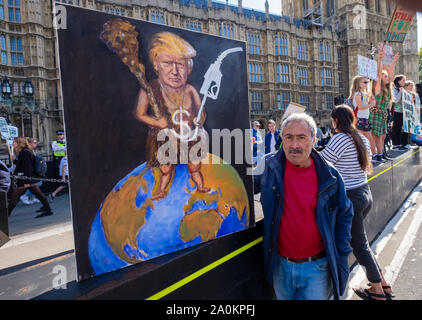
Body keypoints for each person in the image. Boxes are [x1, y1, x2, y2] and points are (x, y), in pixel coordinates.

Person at [254, 113, 354, 300]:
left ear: (314, 140)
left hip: (317, 268)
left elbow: (345, 216)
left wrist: (341, 256)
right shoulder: (268, 166)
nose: (294, 145)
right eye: (288, 137)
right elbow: (242, 188)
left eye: (301, 137)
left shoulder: (330, 176)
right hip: (280, 266)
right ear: (281, 139)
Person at [321, 105, 394, 300]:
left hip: (351, 198)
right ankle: (382, 283)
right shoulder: (361, 137)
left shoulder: (339, 138)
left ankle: (377, 291)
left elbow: (322, 164)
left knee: (359, 245)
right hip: (364, 193)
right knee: (362, 244)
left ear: (336, 121)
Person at [135, 32, 210, 200]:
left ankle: (200, 186)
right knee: (166, 168)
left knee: (194, 166)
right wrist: (156, 121)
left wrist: (200, 119)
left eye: (181, 65)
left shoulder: (190, 89)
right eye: (168, 63)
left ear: (188, 68)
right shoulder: (149, 89)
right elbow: (140, 114)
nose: (175, 71)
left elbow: (202, 111)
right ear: (156, 65)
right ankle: (161, 191)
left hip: (190, 137)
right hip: (167, 137)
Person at [8, 137, 53, 218]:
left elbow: (28, 168)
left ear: (19, 143)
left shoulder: (24, 152)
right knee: (39, 194)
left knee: (15, 197)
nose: (12, 144)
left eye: (14, 142)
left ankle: (5, 215)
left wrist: (27, 182)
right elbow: (22, 165)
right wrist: (15, 160)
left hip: (26, 179)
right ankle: (48, 209)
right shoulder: (24, 152)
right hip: (29, 179)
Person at [369, 45, 398, 161]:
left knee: (382, 137)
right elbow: (380, 74)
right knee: (374, 136)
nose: (387, 77)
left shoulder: (388, 89)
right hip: (375, 114)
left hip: (382, 115)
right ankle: (375, 154)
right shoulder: (377, 88)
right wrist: (379, 59)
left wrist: (393, 63)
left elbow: (390, 75)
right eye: (384, 76)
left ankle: (380, 154)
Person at [349, 76, 376, 156]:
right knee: (366, 139)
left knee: (366, 139)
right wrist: (370, 105)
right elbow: (360, 107)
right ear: (358, 84)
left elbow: (365, 106)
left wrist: (371, 101)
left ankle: (372, 155)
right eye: (365, 82)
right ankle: (372, 155)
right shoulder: (358, 94)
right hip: (359, 118)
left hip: (365, 118)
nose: (367, 84)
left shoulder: (364, 94)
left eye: (367, 82)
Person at [392, 75, 408, 150]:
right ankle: (395, 144)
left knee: (402, 127)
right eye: (403, 80)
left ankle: (401, 143)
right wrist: (401, 92)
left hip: (403, 111)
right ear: (398, 81)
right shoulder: (394, 89)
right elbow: (396, 100)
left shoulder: (402, 89)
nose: (404, 82)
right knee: (396, 128)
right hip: (396, 111)